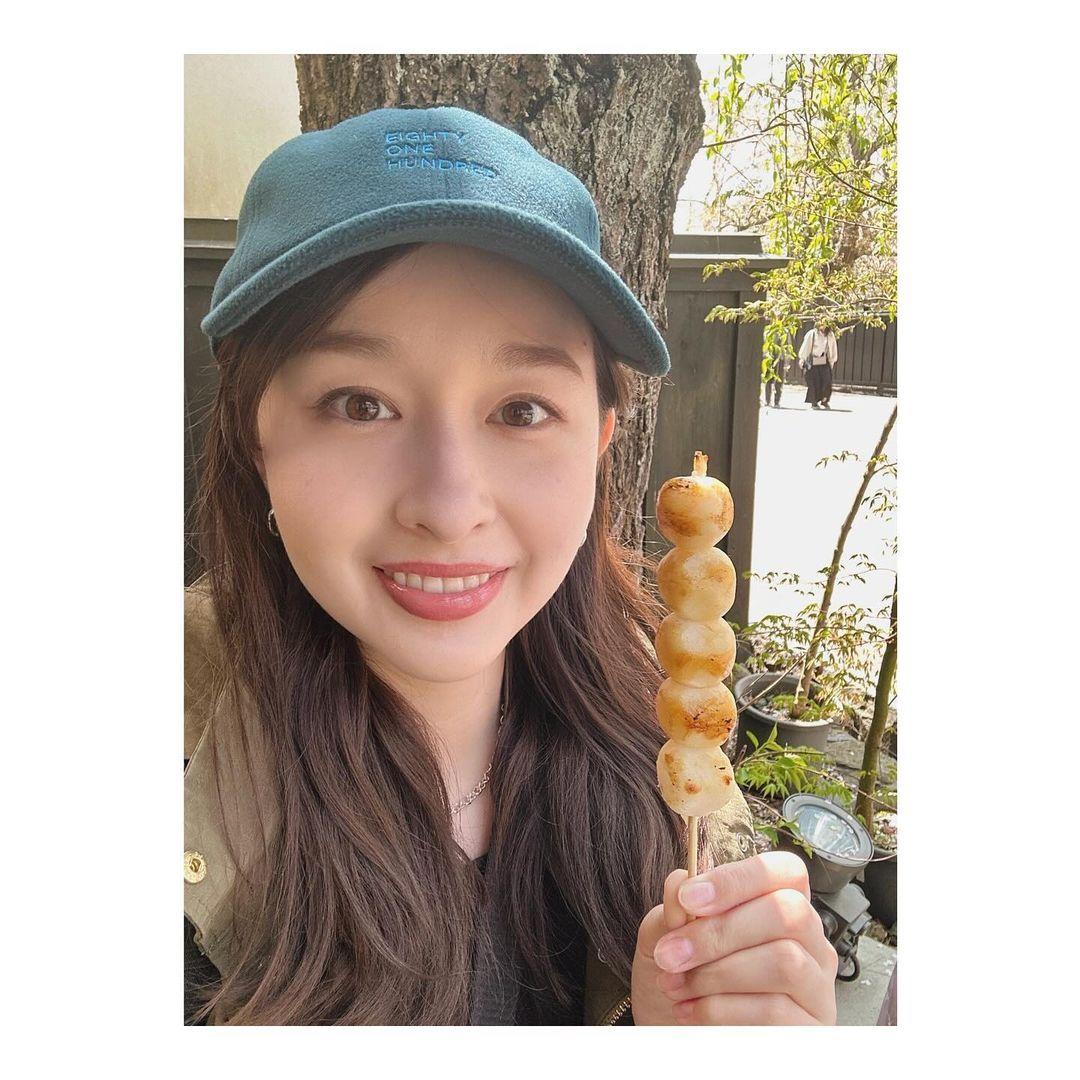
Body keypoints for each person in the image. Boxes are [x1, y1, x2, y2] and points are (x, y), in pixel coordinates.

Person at [184, 104, 839, 1026]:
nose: (450, 506)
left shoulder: (661, 742)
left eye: (522, 410)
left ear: (599, 443)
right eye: (360, 404)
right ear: (257, 438)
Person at [799, 318, 839, 408]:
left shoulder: (830, 335)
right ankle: (814, 401)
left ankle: (824, 400)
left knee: (827, 381)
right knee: (814, 382)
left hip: (824, 360)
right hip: (813, 360)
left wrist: (832, 360)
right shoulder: (812, 333)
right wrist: (802, 358)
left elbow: (833, 348)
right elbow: (806, 347)